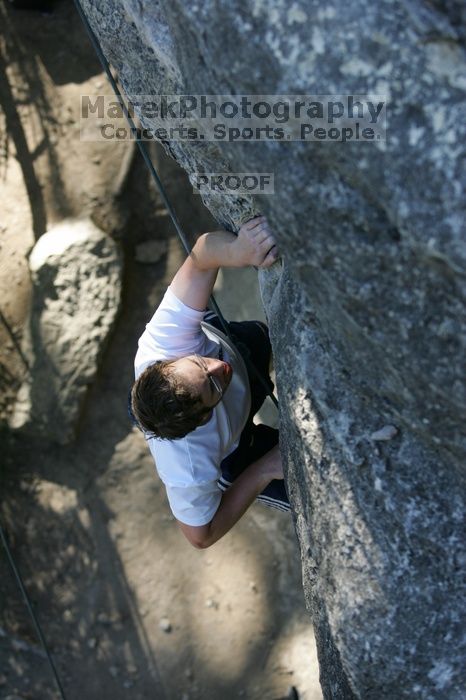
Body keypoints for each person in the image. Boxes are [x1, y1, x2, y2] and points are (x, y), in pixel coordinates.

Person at [130, 216, 290, 548]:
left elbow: (201, 258)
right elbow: (200, 536)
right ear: (203, 419)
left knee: (264, 339)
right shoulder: (189, 465)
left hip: (235, 346)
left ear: (170, 362)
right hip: (237, 450)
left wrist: (239, 249)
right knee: (303, 485)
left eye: (200, 364)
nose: (219, 368)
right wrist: (262, 471)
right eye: (213, 386)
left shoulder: (162, 345)